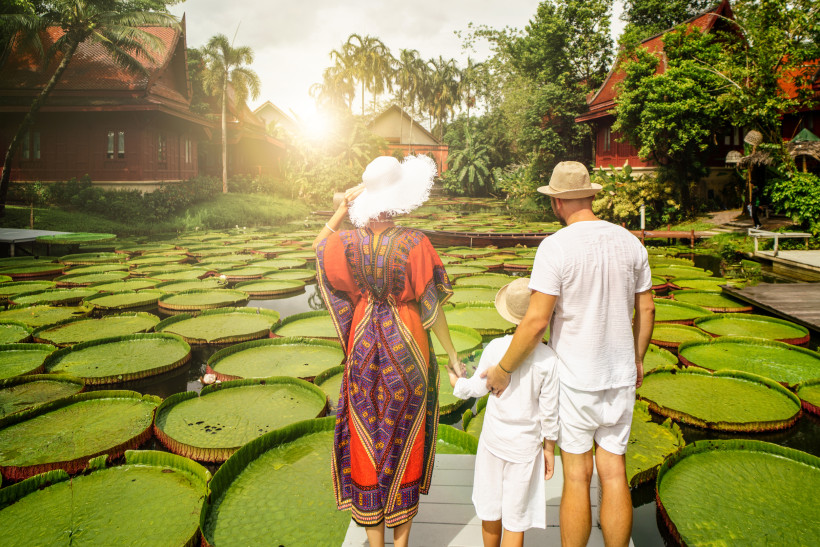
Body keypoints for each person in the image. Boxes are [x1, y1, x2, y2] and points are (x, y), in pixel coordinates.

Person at [483, 161, 655, 547]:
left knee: (577, 476)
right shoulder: (631, 242)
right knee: (614, 471)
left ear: (557, 203)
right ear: (591, 195)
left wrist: (504, 370)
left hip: (576, 379)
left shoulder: (555, 247)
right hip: (620, 375)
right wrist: (638, 358)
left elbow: (535, 320)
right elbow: (646, 309)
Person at [313, 155, 464, 547]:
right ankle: (401, 544)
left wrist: (342, 211)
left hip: (363, 342)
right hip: (408, 343)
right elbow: (431, 307)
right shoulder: (415, 242)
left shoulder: (347, 240)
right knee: (405, 434)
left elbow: (317, 247)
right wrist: (451, 354)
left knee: (367, 432)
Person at [447, 277, 559, 547]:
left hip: (494, 442)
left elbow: (477, 388)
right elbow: (550, 412)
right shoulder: (549, 359)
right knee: (515, 519)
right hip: (525, 448)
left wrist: (456, 382)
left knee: (490, 511)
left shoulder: (496, 347)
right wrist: (549, 448)